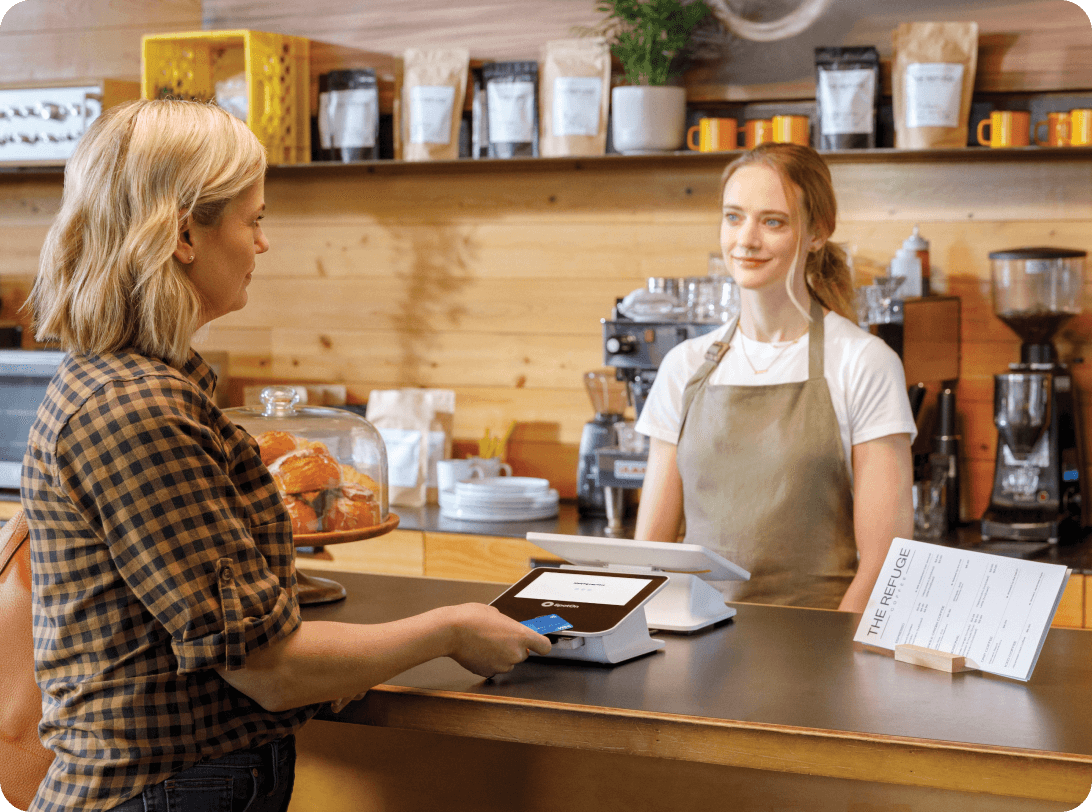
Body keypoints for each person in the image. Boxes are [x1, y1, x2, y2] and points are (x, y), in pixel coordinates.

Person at [20, 98, 550, 812]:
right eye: (255, 219)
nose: (263, 244)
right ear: (183, 234)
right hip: (156, 794)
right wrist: (449, 628)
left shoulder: (151, 383)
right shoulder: (135, 409)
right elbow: (269, 671)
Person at [634, 143, 915, 613]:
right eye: (733, 217)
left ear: (817, 233)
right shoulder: (684, 366)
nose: (746, 240)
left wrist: (833, 657)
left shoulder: (863, 363)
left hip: (818, 653)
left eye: (773, 222)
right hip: (697, 648)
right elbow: (650, 554)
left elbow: (887, 560)